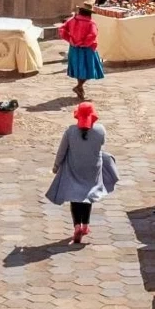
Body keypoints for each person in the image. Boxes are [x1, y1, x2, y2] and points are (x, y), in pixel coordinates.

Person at [45, 102, 121, 244]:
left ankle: (77, 226)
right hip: (93, 169)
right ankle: (86, 225)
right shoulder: (100, 130)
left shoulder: (70, 131)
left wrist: (56, 167)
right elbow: (101, 144)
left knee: (75, 197)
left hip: (74, 168)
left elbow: (61, 152)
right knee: (87, 195)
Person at [59, 4, 105, 100]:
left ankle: (80, 87)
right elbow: (93, 34)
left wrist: (70, 39)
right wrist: (85, 43)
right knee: (88, 69)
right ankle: (79, 87)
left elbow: (62, 30)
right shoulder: (91, 23)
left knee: (79, 69)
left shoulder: (72, 20)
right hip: (87, 49)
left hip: (74, 48)